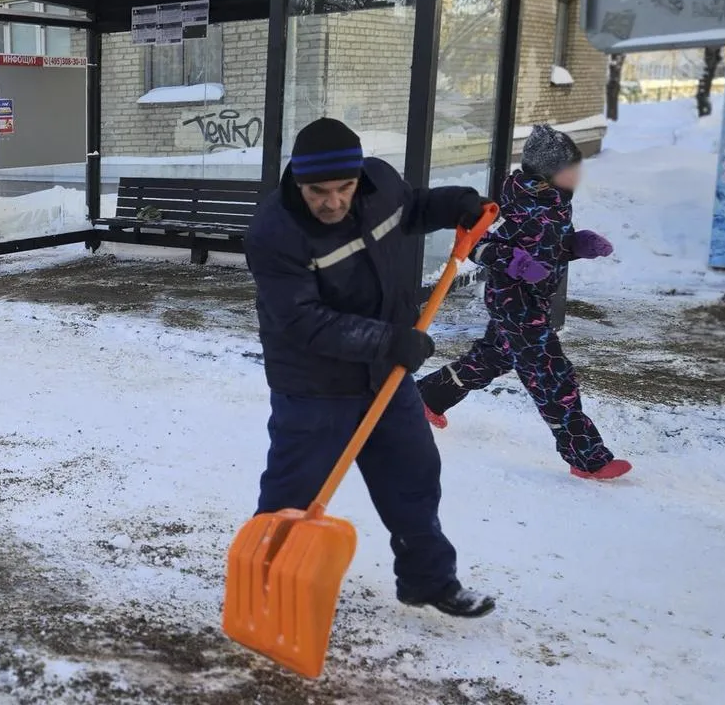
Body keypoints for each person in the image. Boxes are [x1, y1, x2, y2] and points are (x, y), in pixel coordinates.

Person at [245, 118, 495, 618]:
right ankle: (263, 587)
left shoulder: (380, 183)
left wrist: (458, 204)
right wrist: (390, 340)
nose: (332, 202)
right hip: (315, 386)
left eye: (344, 187)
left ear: (359, 177)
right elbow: (302, 322)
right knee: (293, 493)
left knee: (414, 475)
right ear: (298, 181)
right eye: (318, 191)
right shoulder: (274, 232)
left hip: (386, 375)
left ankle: (428, 580)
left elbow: (415, 207)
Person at [418, 125, 631, 481]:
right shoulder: (513, 201)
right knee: (551, 376)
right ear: (548, 171)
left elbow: (546, 245)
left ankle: (424, 399)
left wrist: (577, 246)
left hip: (534, 299)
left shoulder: (556, 202)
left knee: (491, 356)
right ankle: (588, 458)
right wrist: (514, 262)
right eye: (570, 167)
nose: (577, 174)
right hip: (514, 302)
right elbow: (476, 243)